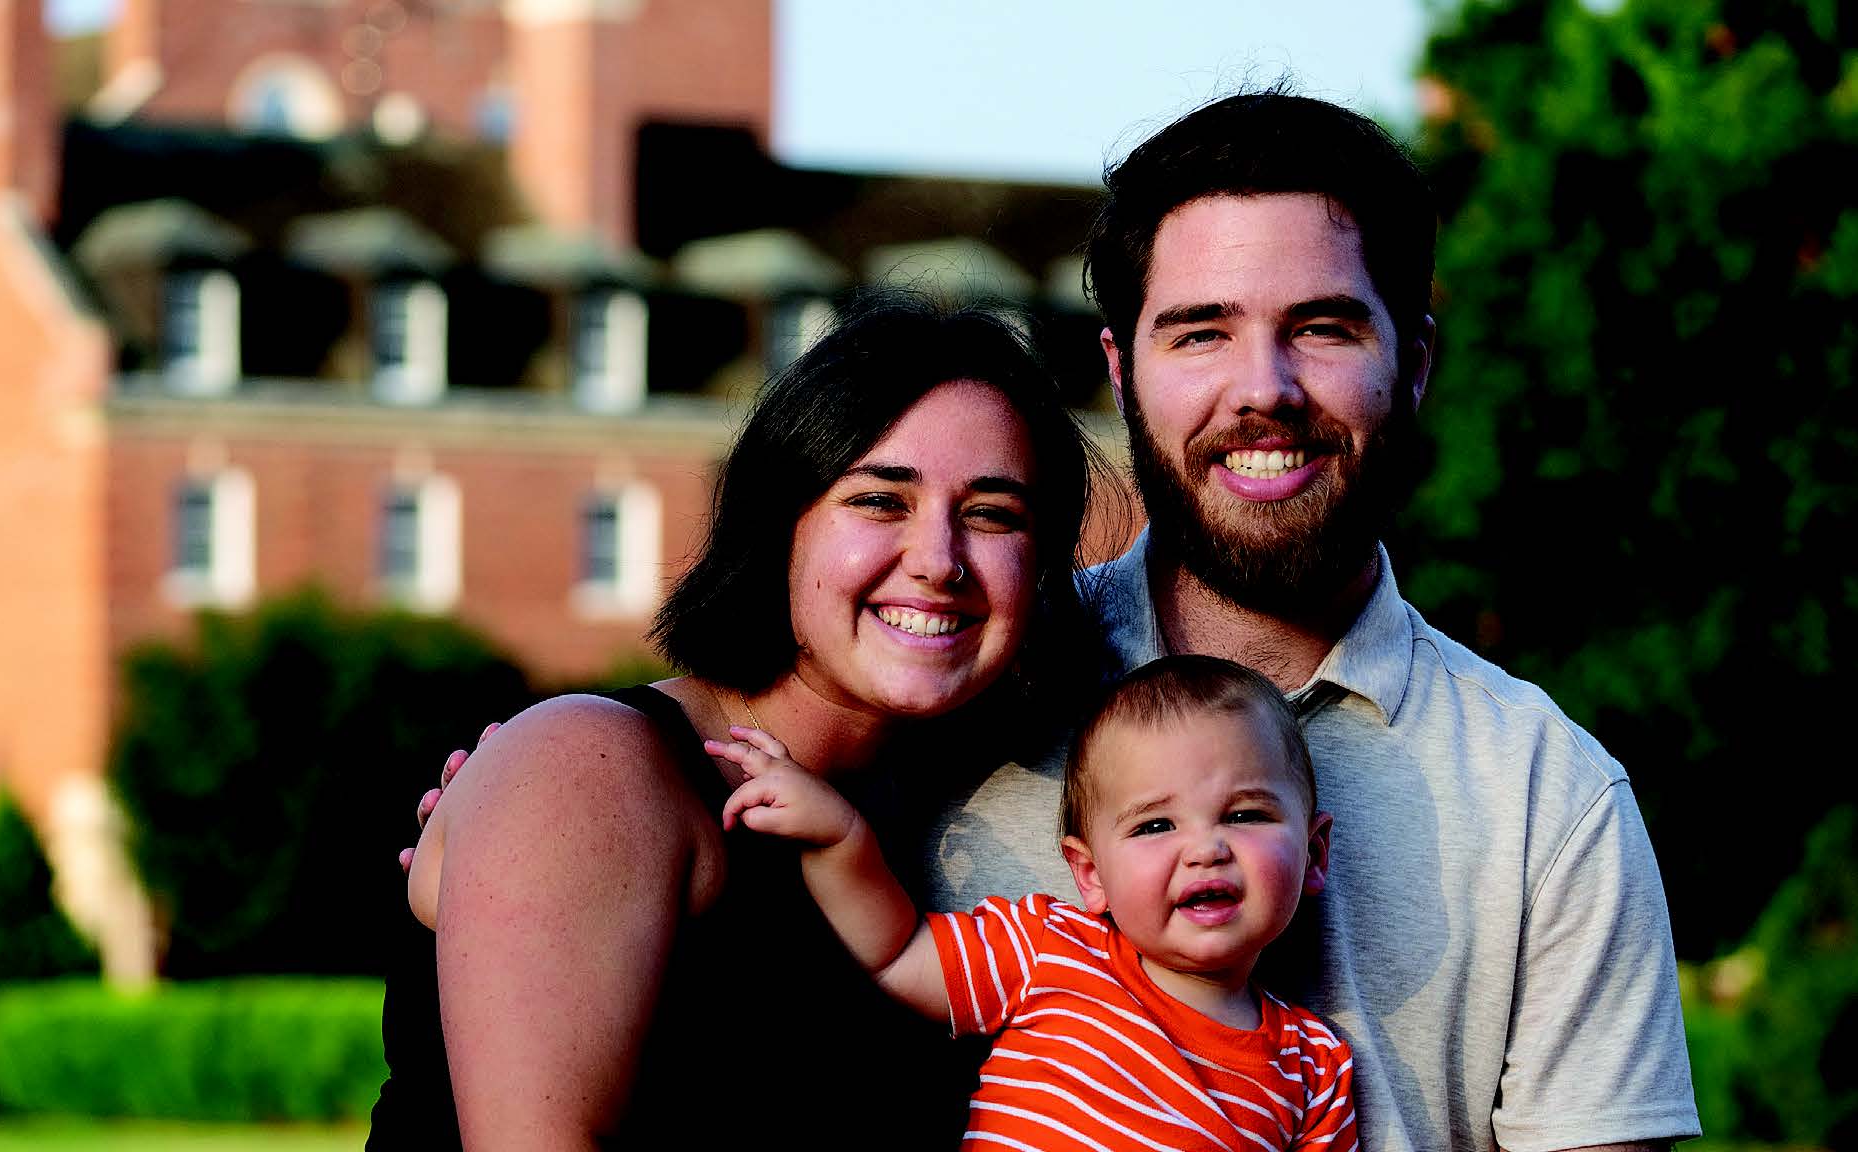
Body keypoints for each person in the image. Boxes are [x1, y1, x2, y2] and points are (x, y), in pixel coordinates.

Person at [408, 90, 1701, 1151]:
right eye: (1199, 332)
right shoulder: (978, 691)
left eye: (1319, 328)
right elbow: (678, 839)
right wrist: (514, 840)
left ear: (1409, 362)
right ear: (1121, 368)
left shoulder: (1548, 796)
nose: (1262, 389)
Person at [367, 291, 1108, 1150]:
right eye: (878, 501)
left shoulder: (932, 820)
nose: (939, 561)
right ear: (776, 526)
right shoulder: (594, 765)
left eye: (993, 514)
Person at [718, 654, 1357, 1151]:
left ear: (1315, 854)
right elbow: (899, 950)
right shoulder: (1049, 949)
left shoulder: (1314, 1067)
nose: (1205, 849)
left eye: (1244, 814)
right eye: (1155, 826)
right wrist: (840, 838)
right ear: (1089, 874)